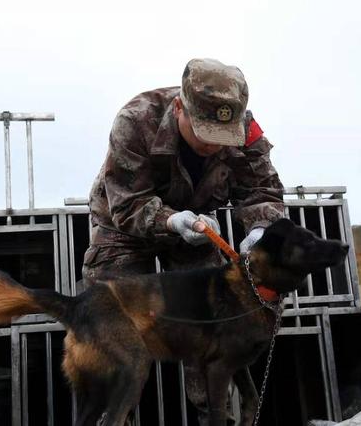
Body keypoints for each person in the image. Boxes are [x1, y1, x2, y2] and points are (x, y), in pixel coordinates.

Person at [82, 58, 284, 424]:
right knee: (115, 323)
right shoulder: (136, 120)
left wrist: (259, 233)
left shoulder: (246, 129)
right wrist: (171, 221)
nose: (212, 145)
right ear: (180, 108)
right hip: (125, 228)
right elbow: (127, 203)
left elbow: (263, 190)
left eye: (223, 136)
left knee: (212, 320)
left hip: (198, 229)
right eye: (204, 131)